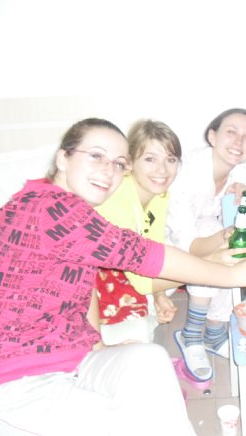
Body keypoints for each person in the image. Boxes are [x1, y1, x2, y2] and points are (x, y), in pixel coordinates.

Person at [0, 118, 246, 436]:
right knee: (137, 426)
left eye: (119, 163)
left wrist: (96, 345)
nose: (108, 171)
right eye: (96, 156)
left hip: (70, 358)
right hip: (12, 377)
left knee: (147, 359)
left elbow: (84, 286)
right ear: (63, 158)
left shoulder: (72, 209)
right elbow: (145, 255)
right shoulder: (50, 208)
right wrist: (231, 276)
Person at [166, 108, 246, 382]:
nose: (239, 142)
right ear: (212, 136)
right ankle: (192, 334)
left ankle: (215, 331)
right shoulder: (187, 175)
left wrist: (244, 189)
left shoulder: (237, 171)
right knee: (215, 235)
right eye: (231, 132)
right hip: (166, 242)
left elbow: (243, 173)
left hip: (204, 236)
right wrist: (222, 238)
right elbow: (189, 245)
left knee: (231, 242)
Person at [93, 119, 182, 345]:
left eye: (171, 159)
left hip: (120, 267)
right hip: (89, 274)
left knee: (171, 269)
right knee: (138, 329)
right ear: (130, 162)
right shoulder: (118, 197)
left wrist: (160, 295)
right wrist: (211, 268)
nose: (162, 170)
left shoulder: (160, 195)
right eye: (150, 159)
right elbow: (142, 281)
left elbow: (154, 249)